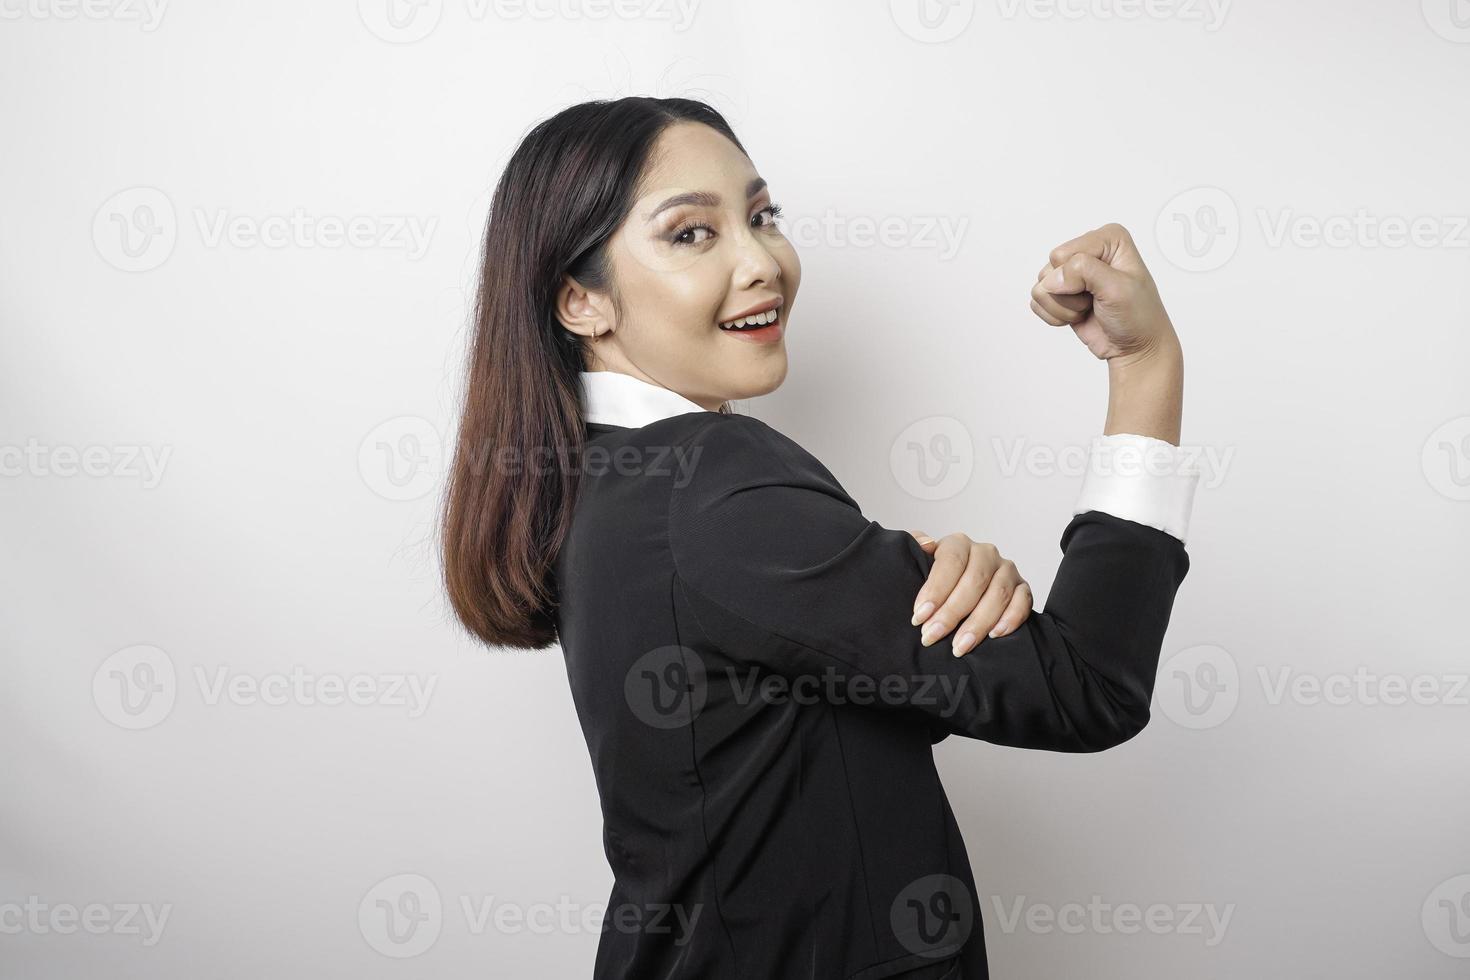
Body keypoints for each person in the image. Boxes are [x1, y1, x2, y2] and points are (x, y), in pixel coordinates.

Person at [441, 96, 1199, 980]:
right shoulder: (715, 482)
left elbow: (791, 727)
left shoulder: (615, 483)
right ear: (581, 301)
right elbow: (1087, 688)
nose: (762, 261)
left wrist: (925, 609)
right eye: (692, 234)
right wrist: (1147, 365)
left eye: (763, 218)